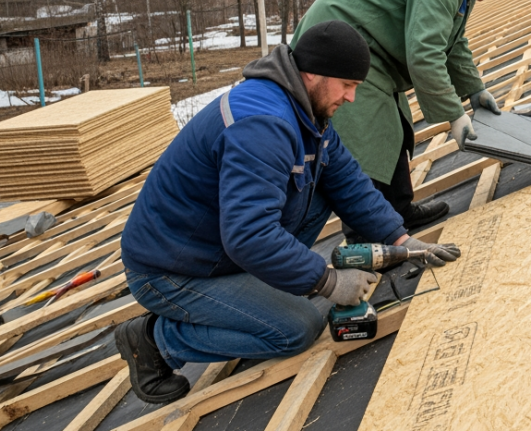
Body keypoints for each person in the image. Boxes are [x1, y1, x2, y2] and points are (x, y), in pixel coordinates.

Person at [117, 21, 461, 403]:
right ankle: (155, 341)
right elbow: (249, 235)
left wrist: (402, 240)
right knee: (296, 328)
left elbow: (346, 179)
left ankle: (267, 282)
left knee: (324, 182)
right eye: (347, 85)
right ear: (312, 73)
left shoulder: (304, 109)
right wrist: (328, 282)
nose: (351, 98)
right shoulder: (263, 125)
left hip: (218, 244)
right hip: (172, 268)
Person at [290, 0, 525, 231]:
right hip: (340, 49)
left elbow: (452, 42)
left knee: (397, 126)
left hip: (372, 50)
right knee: (370, 138)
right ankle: (367, 234)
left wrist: (474, 89)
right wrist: (454, 115)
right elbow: (425, 54)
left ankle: (398, 213)